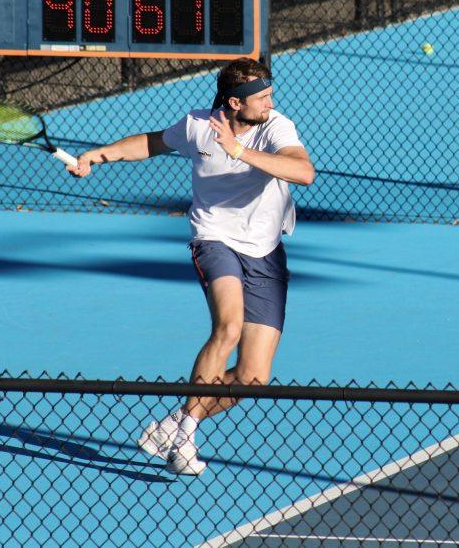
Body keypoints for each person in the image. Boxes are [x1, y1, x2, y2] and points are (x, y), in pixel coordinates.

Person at [67, 57, 314, 475]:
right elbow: (150, 143)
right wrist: (100, 155)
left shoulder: (277, 127)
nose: (271, 102)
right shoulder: (198, 125)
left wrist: (240, 151)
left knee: (253, 381)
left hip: (266, 252)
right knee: (228, 328)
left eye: (271, 94)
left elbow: (303, 172)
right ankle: (184, 443)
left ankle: (175, 425)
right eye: (263, 97)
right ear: (235, 103)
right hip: (214, 239)